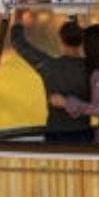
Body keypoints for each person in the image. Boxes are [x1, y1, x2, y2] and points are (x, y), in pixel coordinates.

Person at [9, 15, 93, 143]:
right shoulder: (93, 70)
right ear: (81, 42)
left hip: (55, 137)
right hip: (84, 137)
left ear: (60, 40)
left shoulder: (50, 67)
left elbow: (18, 42)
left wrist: (18, 18)